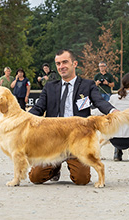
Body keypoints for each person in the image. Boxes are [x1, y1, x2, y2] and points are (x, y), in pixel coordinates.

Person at [27, 49, 116, 185]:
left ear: (74, 64)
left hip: (77, 138)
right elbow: (38, 108)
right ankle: (54, 168)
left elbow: (99, 101)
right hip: (52, 140)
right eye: (58, 64)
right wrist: (22, 118)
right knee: (35, 178)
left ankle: (71, 163)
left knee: (82, 180)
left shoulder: (87, 85)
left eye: (64, 62)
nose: (61, 66)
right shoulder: (50, 87)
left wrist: (112, 111)